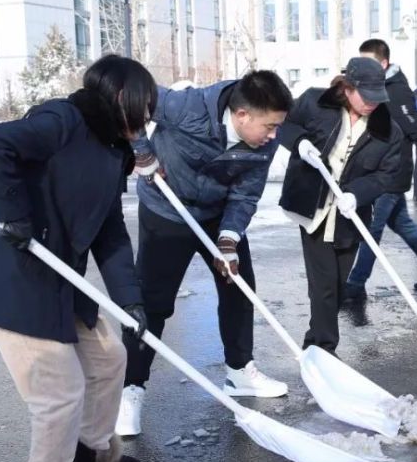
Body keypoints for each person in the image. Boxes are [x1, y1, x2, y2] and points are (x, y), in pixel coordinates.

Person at [0, 55, 154, 462]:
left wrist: (130, 299)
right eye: (144, 107)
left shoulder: (112, 149)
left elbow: (109, 231)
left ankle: (89, 455)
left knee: (109, 359)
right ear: (120, 97)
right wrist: (13, 213)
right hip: (17, 278)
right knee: (59, 392)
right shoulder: (63, 120)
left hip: (62, 277)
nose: (147, 119)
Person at [117, 71, 295, 437]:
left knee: (239, 286)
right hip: (167, 210)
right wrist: (140, 149)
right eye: (270, 126)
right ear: (242, 115)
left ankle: (239, 371)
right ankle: (130, 388)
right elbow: (125, 94)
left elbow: (246, 194)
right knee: (152, 303)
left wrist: (228, 240)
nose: (274, 135)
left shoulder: (265, 142)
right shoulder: (187, 107)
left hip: (217, 213)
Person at [279, 57, 403, 354]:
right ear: (347, 88)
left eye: (377, 97)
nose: (372, 104)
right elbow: (283, 123)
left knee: (336, 286)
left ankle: (314, 340)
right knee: (324, 284)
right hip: (314, 208)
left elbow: (386, 175)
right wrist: (299, 142)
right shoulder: (314, 102)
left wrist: (358, 194)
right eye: (366, 96)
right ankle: (324, 348)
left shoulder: (388, 130)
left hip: (349, 215)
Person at [344, 39, 417, 300]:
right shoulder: (375, 86)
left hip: (391, 171)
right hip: (379, 168)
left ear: (383, 63)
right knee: (401, 222)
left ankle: (355, 284)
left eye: (368, 62)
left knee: (371, 228)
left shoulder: (397, 90)